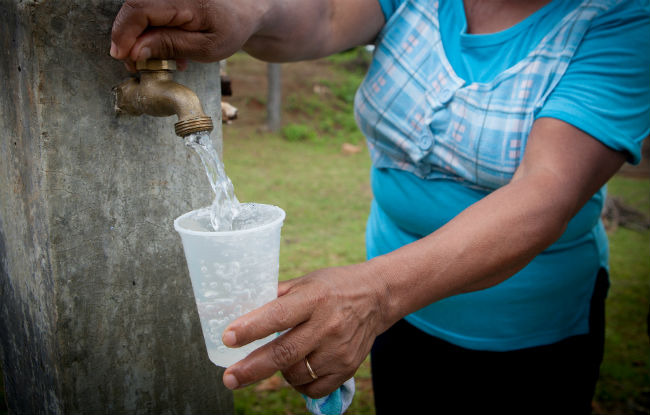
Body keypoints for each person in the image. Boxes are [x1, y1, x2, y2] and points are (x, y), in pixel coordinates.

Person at [111, 0, 649, 413]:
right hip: (399, 312)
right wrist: (240, 9)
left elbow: (545, 193)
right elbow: (321, 16)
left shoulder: (624, 19)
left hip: (526, 330)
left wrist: (375, 293)